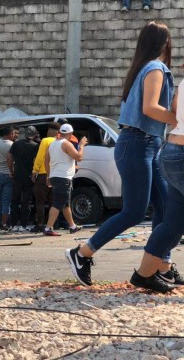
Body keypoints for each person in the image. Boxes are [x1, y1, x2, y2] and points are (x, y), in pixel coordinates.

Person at [66, 21, 177, 286]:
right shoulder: (155, 68)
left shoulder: (143, 68)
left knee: (165, 210)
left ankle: (162, 267)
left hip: (145, 144)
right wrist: (178, 119)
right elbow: (150, 108)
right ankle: (82, 253)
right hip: (138, 144)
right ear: (165, 43)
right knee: (135, 212)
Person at [130, 78, 184, 293]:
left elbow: (174, 111)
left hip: (171, 152)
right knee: (173, 224)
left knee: (174, 223)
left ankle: (143, 275)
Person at [43, 124, 86, 236]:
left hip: (55, 176)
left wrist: (48, 176)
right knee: (58, 203)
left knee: (65, 203)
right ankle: (48, 228)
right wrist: (81, 146)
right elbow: (79, 157)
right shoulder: (66, 144)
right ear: (71, 134)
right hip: (63, 177)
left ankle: (72, 226)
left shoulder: (52, 145)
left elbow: (46, 160)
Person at [8, 126, 39, 232]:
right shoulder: (35, 146)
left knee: (14, 201)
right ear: (34, 135)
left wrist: (11, 170)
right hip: (28, 177)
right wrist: (34, 175)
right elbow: (36, 161)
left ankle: (13, 225)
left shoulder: (16, 143)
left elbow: (9, 158)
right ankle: (23, 225)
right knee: (26, 202)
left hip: (17, 176)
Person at [31, 122, 60, 233]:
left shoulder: (45, 141)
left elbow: (40, 156)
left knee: (40, 201)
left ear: (50, 131)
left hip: (43, 174)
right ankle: (53, 224)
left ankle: (40, 224)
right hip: (56, 175)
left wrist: (34, 171)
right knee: (54, 201)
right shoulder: (62, 142)